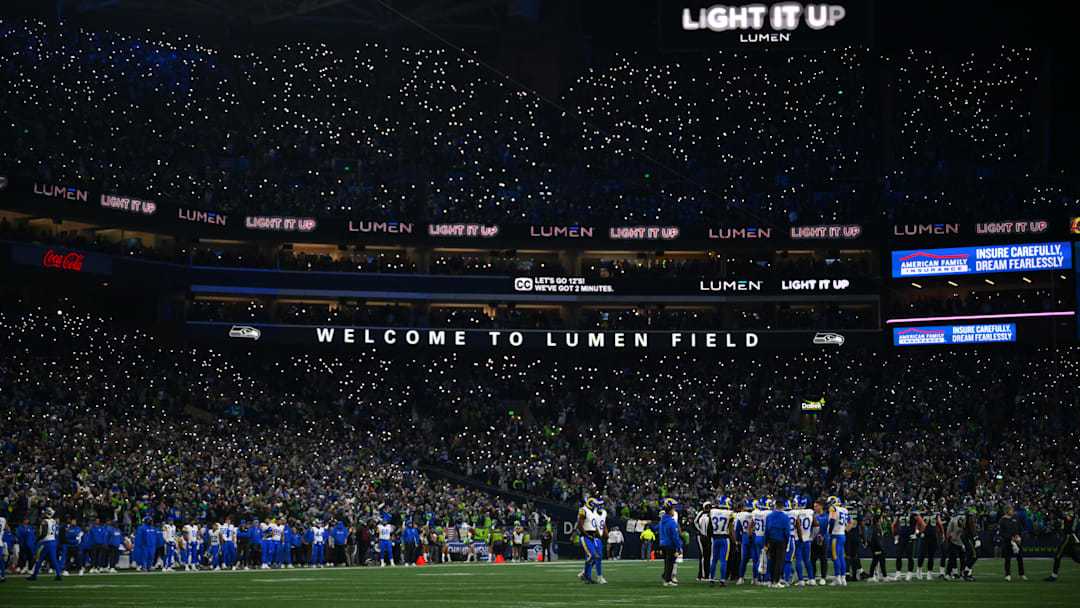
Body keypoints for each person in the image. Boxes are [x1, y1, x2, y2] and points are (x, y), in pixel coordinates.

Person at [576, 496, 607, 584]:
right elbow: (579, 525)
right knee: (592, 555)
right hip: (586, 536)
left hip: (592, 537)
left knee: (594, 556)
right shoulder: (583, 510)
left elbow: (595, 527)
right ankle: (585, 575)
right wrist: (587, 535)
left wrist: (599, 537)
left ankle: (586, 576)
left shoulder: (592, 512)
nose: (596, 506)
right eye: (595, 505)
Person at [27, 507, 62, 581]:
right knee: (54, 559)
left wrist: (37, 540)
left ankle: (34, 575)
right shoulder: (53, 521)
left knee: (39, 558)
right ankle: (59, 575)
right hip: (53, 541)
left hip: (46, 542)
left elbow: (44, 533)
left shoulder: (44, 522)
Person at [1045, 507, 1079, 582]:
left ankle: (1054, 576)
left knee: (1058, 555)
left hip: (1068, 537)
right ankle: (1053, 575)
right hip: (1069, 537)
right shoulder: (1070, 514)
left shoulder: (1071, 514)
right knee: (1076, 558)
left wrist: (1055, 511)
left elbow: (1066, 518)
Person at [707, 497, 733, 587]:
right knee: (723, 560)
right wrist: (734, 540)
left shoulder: (713, 511)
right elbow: (731, 528)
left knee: (713, 559)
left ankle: (711, 579)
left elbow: (709, 526)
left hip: (715, 538)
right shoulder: (729, 513)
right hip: (724, 538)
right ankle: (722, 580)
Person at [764, 498, 789, 588]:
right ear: (783, 507)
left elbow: (766, 530)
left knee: (772, 560)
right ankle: (777, 581)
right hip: (781, 540)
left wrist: (766, 542)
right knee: (779, 561)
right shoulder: (785, 517)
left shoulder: (769, 516)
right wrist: (787, 541)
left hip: (771, 540)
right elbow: (787, 531)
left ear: (775, 506)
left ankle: (770, 580)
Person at [997, 506, 1025, 581]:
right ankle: (1007, 574)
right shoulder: (1002, 520)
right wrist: (1010, 537)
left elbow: (1020, 528)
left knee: (1020, 558)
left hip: (1016, 540)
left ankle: (1021, 574)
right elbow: (1001, 532)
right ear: (1007, 511)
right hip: (1007, 541)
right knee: (1008, 558)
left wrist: (1019, 536)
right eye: (1011, 510)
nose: (1012, 511)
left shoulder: (1015, 518)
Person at [827, 495, 849, 586]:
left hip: (835, 535)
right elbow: (850, 522)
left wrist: (830, 531)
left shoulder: (833, 509)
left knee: (835, 557)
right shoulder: (844, 510)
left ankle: (837, 578)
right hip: (842, 535)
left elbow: (832, 520)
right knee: (841, 557)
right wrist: (844, 530)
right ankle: (843, 579)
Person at [659, 498, 681, 587]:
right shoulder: (671, 521)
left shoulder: (662, 520)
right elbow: (675, 536)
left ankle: (666, 577)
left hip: (663, 543)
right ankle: (667, 580)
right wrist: (679, 547)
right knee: (670, 563)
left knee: (667, 562)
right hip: (670, 544)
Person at [794, 496, 816, 585]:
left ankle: (801, 580)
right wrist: (812, 537)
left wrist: (800, 538)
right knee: (807, 560)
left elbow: (797, 526)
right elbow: (816, 525)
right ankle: (811, 579)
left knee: (798, 560)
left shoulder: (795, 513)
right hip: (807, 539)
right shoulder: (809, 512)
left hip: (798, 539)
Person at [734, 499, 753, 585]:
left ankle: (741, 578)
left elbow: (737, 529)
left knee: (744, 560)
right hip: (755, 536)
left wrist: (737, 539)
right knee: (756, 560)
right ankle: (756, 578)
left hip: (745, 536)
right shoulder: (757, 514)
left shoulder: (741, 515)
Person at [866, 512, 888, 582]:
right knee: (876, 561)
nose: (882, 519)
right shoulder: (877, 527)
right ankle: (872, 576)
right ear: (878, 519)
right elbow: (877, 539)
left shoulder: (874, 527)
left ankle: (884, 576)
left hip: (875, 547)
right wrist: (881, 548)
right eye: (881, 518)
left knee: (880, 561)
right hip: (877, 548)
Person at [694, 501, 712, 582]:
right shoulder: (701, 513)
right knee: (704, 555)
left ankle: (706, 574)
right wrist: (700, 530)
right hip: (701, 536)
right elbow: (695, 522)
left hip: (707, 536)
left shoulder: (711, 514)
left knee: (708, 555)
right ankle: (703, 575)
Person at [750, 499, 767, 584]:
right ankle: (765, 579)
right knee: (765, 559)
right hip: (764, 537)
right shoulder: (768, 513)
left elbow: (750, 526)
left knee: (758, 559)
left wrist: (750, 537)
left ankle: (758, 578)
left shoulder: (755, 513)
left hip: (757, 536)